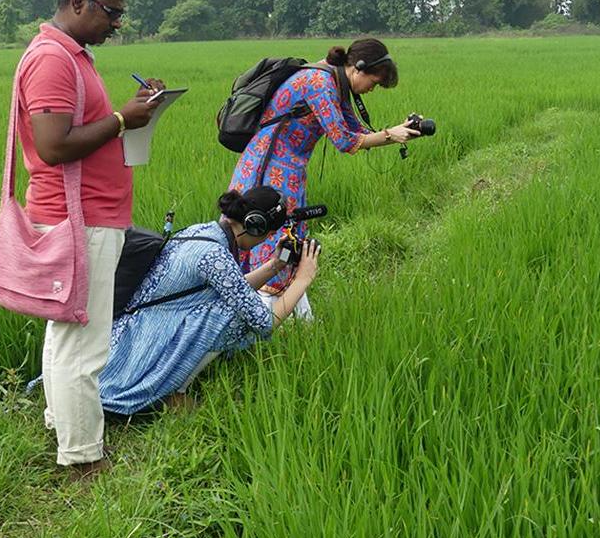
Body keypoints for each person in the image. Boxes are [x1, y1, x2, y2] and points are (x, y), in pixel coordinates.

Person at [18, 0, 162, 478]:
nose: (116, 23)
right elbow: (54, 146)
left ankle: (63, 427)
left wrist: (135, 108)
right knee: (85, 343)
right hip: (79, 219)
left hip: (84, 215)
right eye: (110, 11)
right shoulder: (54, 59)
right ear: (78, 2)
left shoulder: (72, 54)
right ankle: (83, 459)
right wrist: (125, 118)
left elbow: (84, 125)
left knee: (65, 334)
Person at [228, 38, 417, 306]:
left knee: (290, 234)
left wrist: (401, 131)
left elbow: (358, 132)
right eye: (373, 83)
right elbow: (345, 141)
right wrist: (390, 135)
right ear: (358, 68)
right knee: (273, 233)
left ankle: (284, 305)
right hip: (270, 167)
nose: (372, 89)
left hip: (288, 166)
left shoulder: (335, 83)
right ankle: (265, 312)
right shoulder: (321, 83)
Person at [97, 187, 320, 415]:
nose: (266, 240)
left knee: (232, 304)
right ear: (255, 225)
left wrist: (274, 266)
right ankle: (169, 390)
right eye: (268, 235)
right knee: (234, 317)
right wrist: (302, 279)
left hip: (126, 338)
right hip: (132, 361)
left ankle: (173, 381)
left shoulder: (203, 232)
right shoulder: (215, 255)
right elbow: (263, 322)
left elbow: (234, 288)